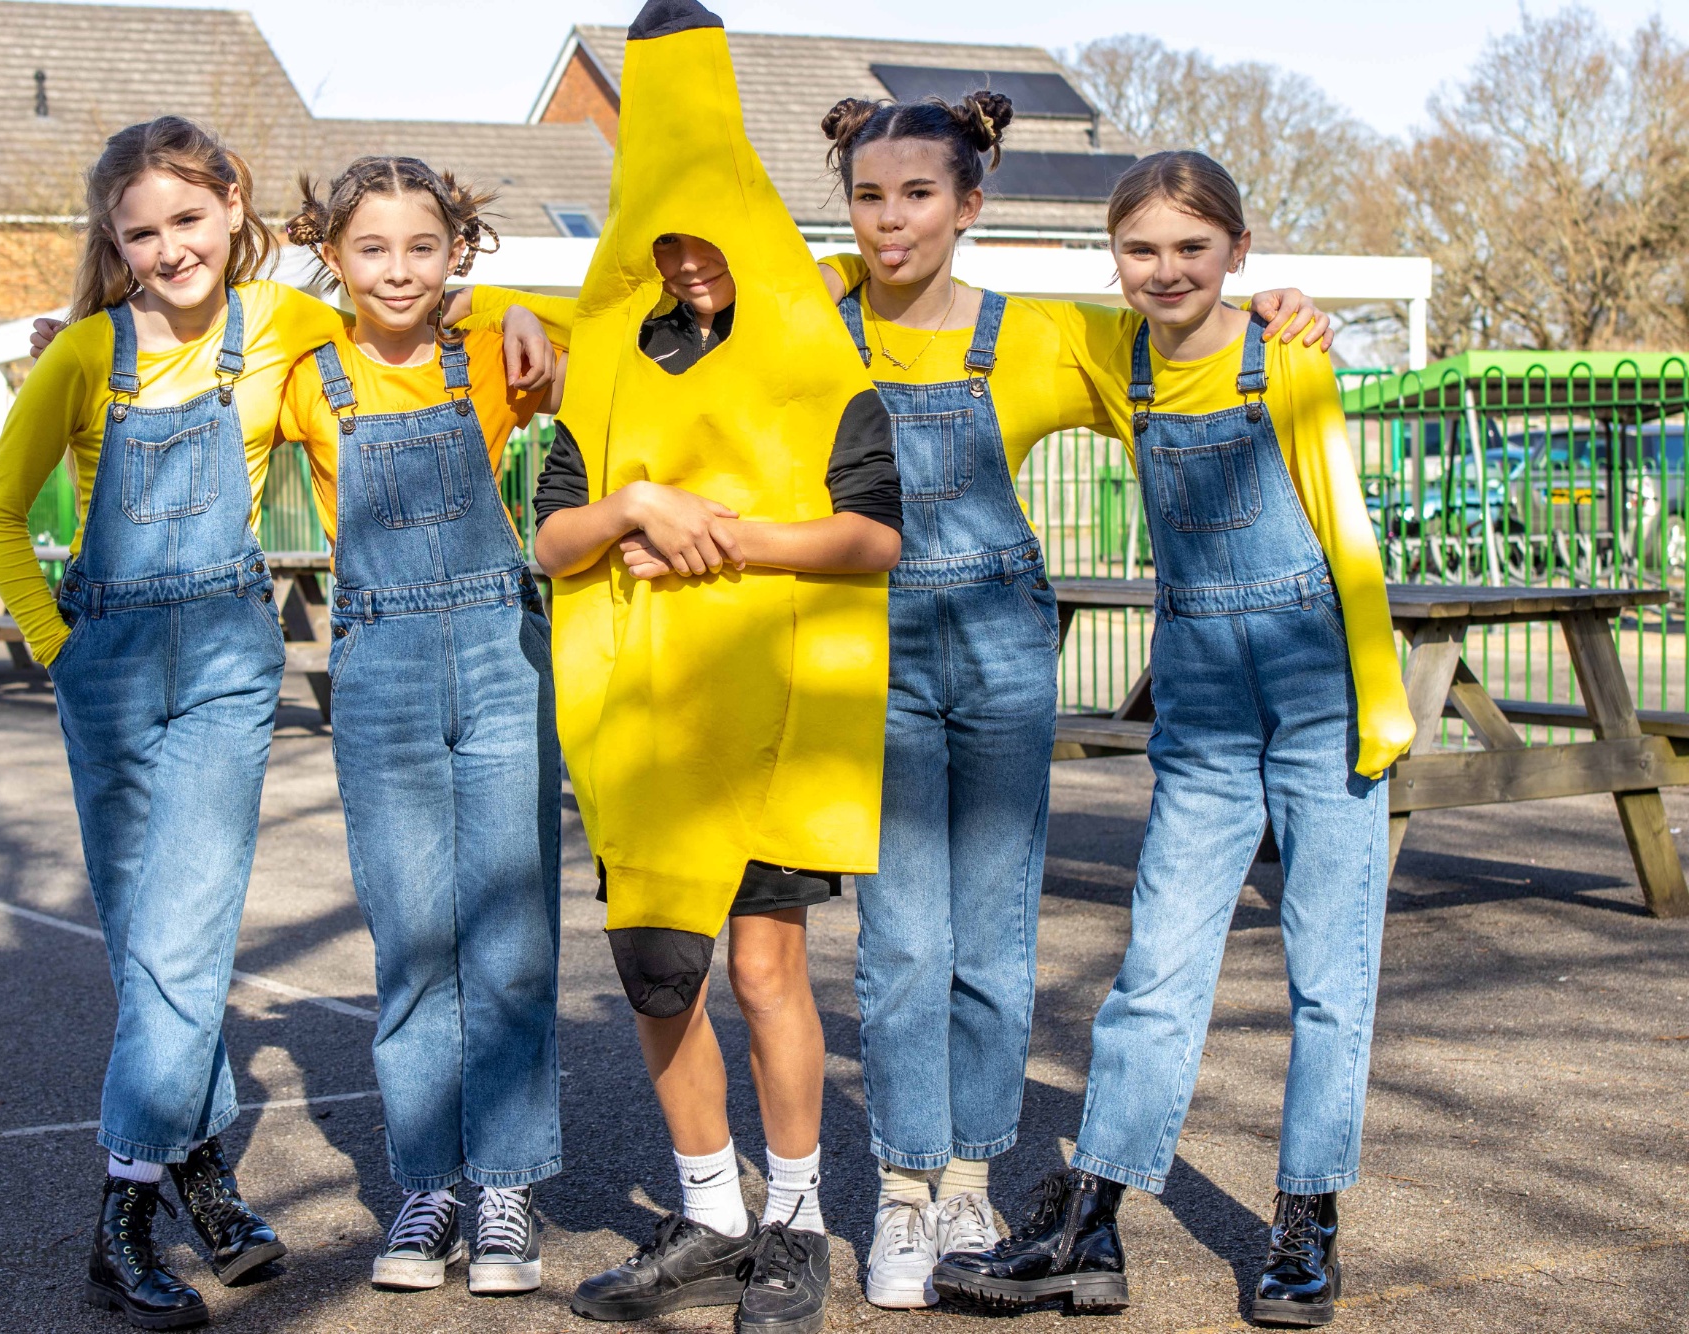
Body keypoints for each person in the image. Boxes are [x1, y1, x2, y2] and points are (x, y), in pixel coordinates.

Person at [809, 95, 1332, 1311]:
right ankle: (900, 1187)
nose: (890, 221)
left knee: (992, 942)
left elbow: (1190, 346)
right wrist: (510, 305)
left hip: (998, 647)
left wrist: (1278, 311)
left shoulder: (1045, 335)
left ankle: (970, 1181)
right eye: (867, 196)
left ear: (969, 204)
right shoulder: (809, 320)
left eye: (917, 195)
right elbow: (624, 310)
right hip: (865, 656)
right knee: (899, 947)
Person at [931, 150, 1414, 1328]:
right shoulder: (1117, 361)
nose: (1164, 270)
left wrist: (1378, 696)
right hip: (1197, 686)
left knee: (1327, 973)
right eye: (1140, 250)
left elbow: (1343, 525)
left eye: (1191, 249)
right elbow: (903, 285)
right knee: (1153, 969)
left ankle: (1306, 1224)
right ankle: (1089, 1224)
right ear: (1114, 261)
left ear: (1237, 253)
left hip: (1316, 685)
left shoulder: (1281, 349)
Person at [535, 5, 899, 1332]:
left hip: (773, 713)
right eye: (665, 240)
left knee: (763, 968)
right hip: (645, 721)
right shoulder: (610, 369)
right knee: (659, 973)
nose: (688, 263)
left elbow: (871, 534)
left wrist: (728, 536)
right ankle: (708, 1212)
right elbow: (554, 532)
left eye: (707, 238)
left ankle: (795, 1222)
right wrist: (637, 505)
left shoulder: (813, 353)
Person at [0, 116, 347, 1331]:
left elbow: (410, 327)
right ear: (114, 242)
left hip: (231, 660)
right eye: (141, 232)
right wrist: (60, 648)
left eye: (188, 219)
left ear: (233, 207)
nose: (168, 247)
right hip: (111, 669)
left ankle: (120, 1213)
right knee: (156, 945)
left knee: (182, 935)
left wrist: (506, 314)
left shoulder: (288, 327)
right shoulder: (82, 353)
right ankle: (202, 1175)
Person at [277, 156, 565, 1298]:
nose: (398, 272)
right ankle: (425, 1180)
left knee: (507, 940)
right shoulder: (304, 374)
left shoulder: (494, 353)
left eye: (420, 248)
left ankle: (505, 1184)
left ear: (457, 253)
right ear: (333, 257)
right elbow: (238, 317)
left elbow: (611, 326)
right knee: (411, 941)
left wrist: (525, 305)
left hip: (500, 662)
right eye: (370, 250)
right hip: (382, 671)